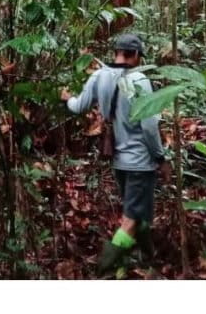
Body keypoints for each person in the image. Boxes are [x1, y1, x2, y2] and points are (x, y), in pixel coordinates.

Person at [60, 33, 170, 273]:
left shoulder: (99, 77)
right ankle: (103, 269)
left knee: (139, 213)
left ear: (116, 53)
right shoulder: (140, 80)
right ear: (138, 56)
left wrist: (67, 99)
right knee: (131, 219)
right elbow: (150, 127)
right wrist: (161, 158)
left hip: (119, 161)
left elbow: (79, 106)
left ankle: (148, 258)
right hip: (140, 162)